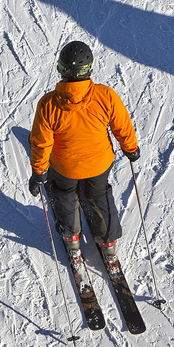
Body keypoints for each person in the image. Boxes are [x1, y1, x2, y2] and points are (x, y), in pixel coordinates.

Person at [28, 41, 139, 260]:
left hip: (65, 167)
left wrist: (39, 172)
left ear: (60, 68)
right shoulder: (105, 95)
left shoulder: (48, 104)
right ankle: (108, 242)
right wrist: (131, 148)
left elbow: (42, 143)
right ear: (89, 68)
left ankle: (71, 238)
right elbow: (122, 124)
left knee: (65, 195)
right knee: (99, 195)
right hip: (99, 164)